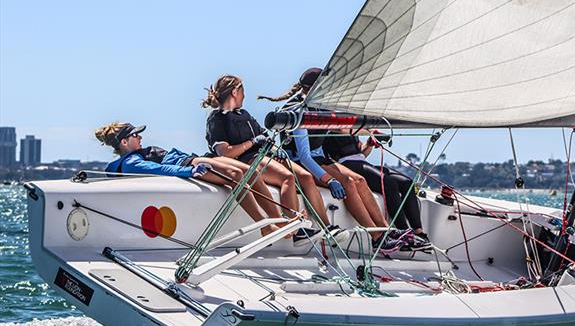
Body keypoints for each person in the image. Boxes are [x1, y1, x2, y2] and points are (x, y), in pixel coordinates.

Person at [262, 67, 411, 255]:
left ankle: (385, 232)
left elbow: (345, 130)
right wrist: (329, 180)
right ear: (317, 88)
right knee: (348, 183)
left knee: (360, 180)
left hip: (319, 157)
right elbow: (305, 156)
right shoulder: (297, 110)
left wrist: (373, 132)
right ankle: (377, 239)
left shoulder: (322, 108)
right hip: (299, 161)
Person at [203, 74, 342, 245]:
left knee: (305, 177)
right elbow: (224, 153)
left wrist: (276, 149)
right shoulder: (217, 119)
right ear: (235, 92)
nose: (244, 95)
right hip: (247, 159)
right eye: (243, 91)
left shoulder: (244, 114)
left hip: (265, 155)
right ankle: (293, 229)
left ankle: (326, 228)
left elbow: (264, 135)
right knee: (288, 178)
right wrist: (252, 142)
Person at [94, 122, 282, 236]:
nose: (140, 136)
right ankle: (263, 226)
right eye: (135, 134)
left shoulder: (135, 156)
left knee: (252, 172)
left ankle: (278, 221)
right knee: (236, 175)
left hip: (193, 161)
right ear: (124, 142)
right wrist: (190, 172)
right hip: (190, 165)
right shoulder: (131, 162)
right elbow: (161, 169)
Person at [323, 130, 430, 250]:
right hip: (346, 165)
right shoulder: (332, 128)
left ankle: (419, 232)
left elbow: (361, 154)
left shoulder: (352, 128)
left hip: (361, 162)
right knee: (389, 184)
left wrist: (369, 144)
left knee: (407, 183)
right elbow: (343, 131)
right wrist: (368, 129)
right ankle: (404, 233)